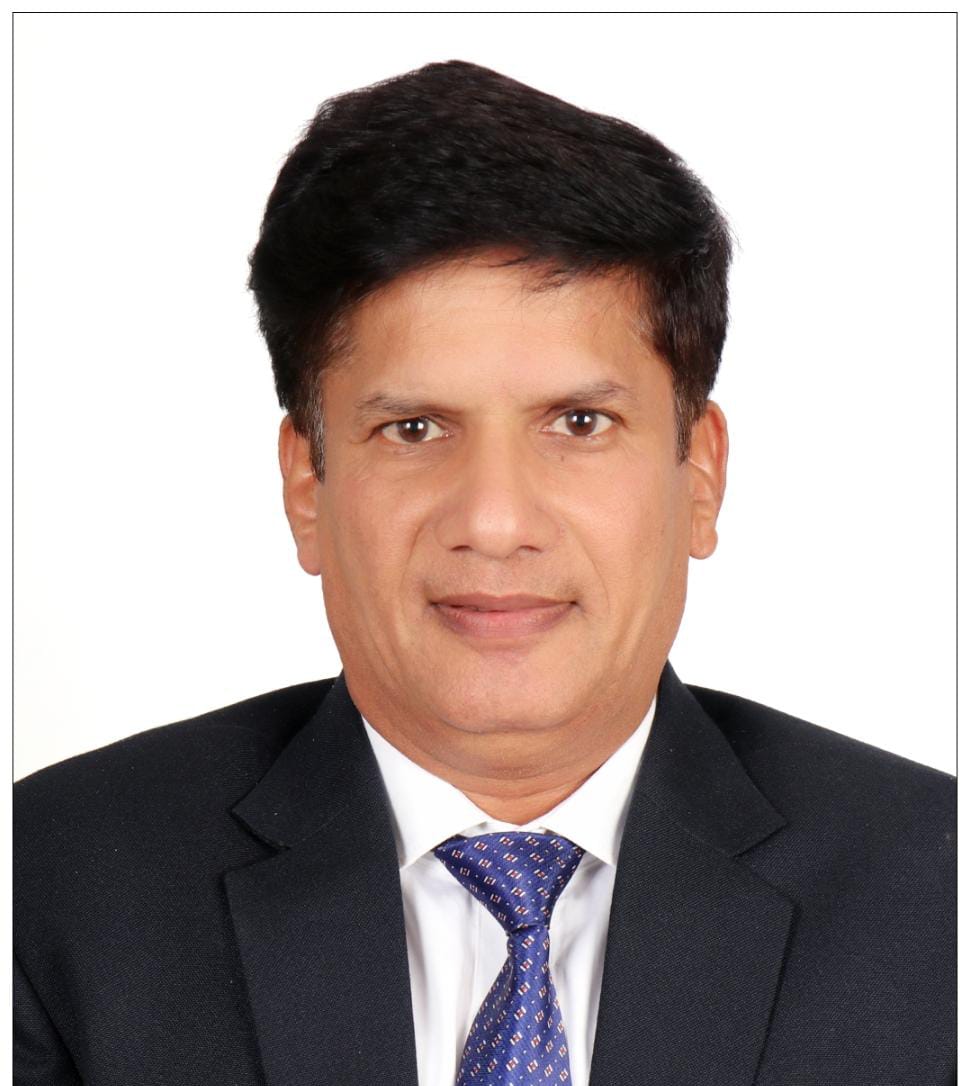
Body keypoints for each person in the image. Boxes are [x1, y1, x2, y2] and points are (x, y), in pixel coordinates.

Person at [14, 60, 953, 1086]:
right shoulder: (48, 895)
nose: (495, 524)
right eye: (414, 429)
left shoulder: (935, 896)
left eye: (579, 423)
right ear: (307, 486)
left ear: (700, 475)